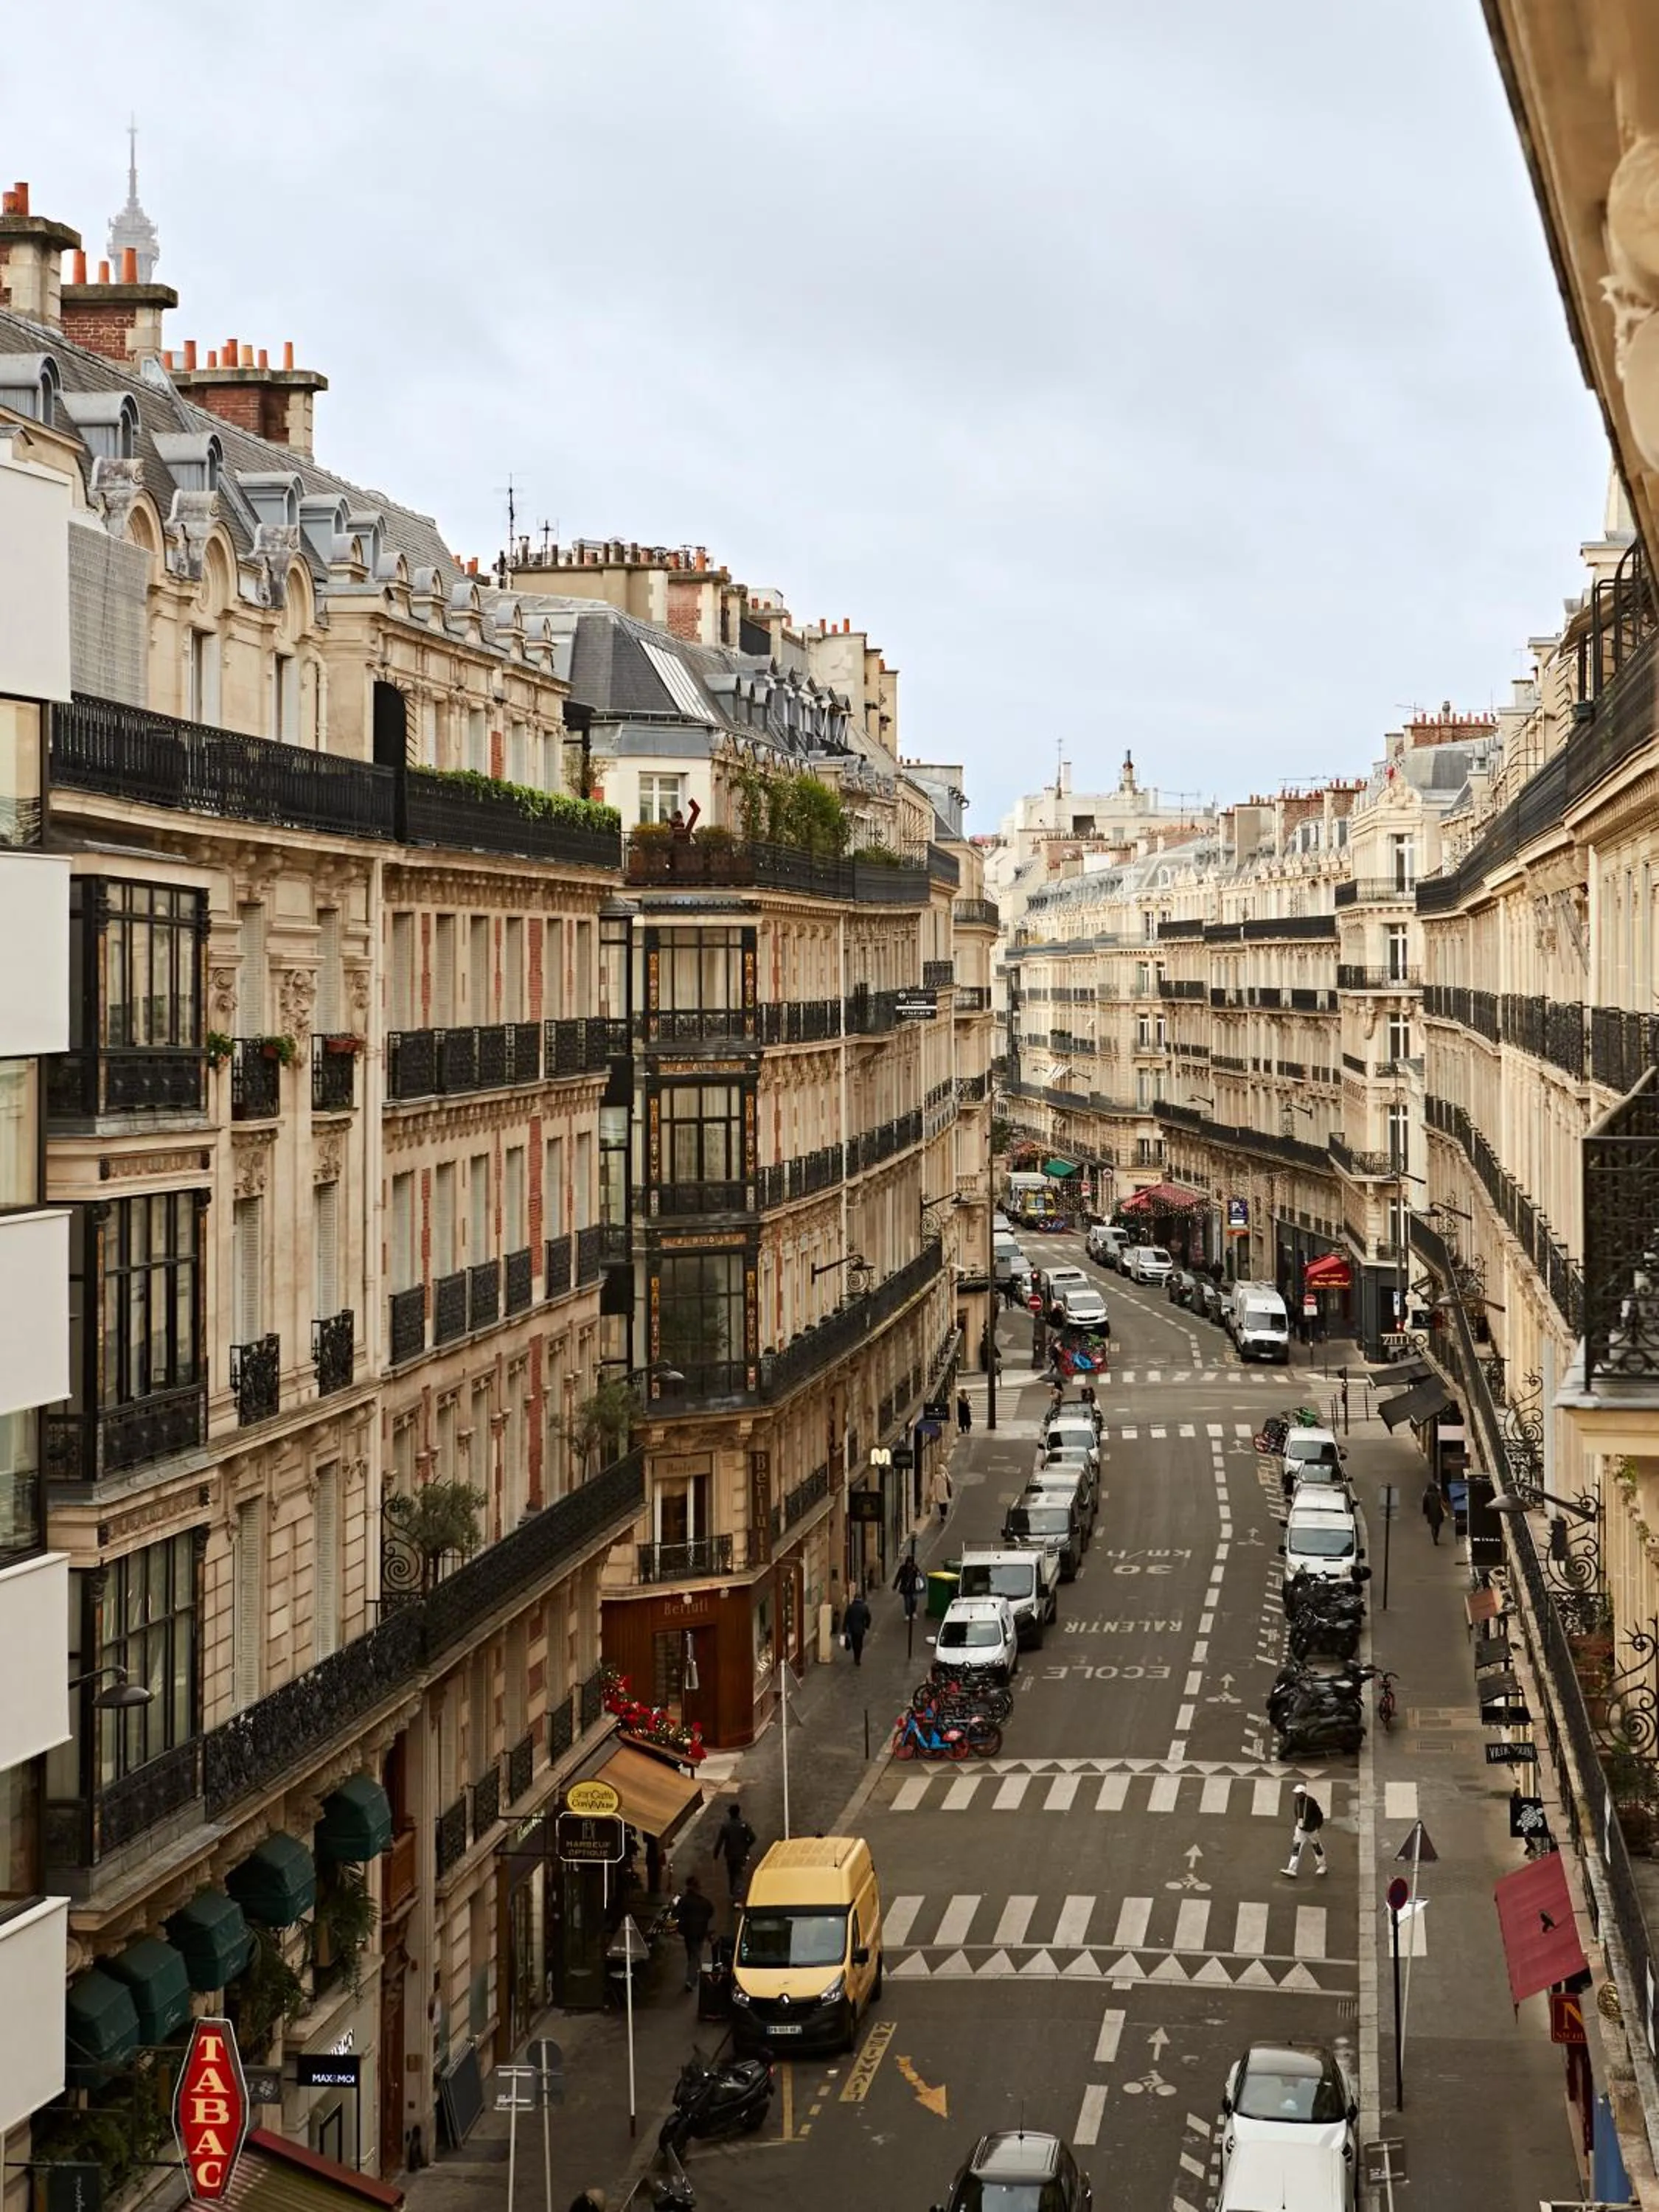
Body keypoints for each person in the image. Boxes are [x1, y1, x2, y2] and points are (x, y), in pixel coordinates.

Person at [677, 1873, 714, 1992]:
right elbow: (711, 1913)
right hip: (700, 1933)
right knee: (695, 1954)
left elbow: (676, 1913)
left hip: (688, 1933)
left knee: (693, 1954)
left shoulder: (684, 1901)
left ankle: (691, 1979)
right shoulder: (705, 1903)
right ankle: (692, 1976)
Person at [712, 1802, 756, 1899]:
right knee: (739, 1874)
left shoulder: (726, 1826)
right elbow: (753, 1837)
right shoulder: (744, 1824)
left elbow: (720, 1841)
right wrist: (746, 1846)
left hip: (730, 1855)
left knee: (731, 1874)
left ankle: (732, 1892)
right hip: (741, 1855)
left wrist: (716, 1854)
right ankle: (737, 1895)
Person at [1283, 1783, 1327, 1877]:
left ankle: (1322, 1866)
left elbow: (1319, 1815)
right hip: (1300, 1829)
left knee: (1317, 1847)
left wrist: (1317, 1826)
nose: (1296, 1795)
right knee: (1296, 1848)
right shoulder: (1297, 1801)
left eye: (1298, 1794)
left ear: (1303, 1794)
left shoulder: (1311, 1802)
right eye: (1296, 1793)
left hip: (1311, 1830)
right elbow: (1297, 1813)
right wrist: (1298, 1824)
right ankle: (1291, 1869)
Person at [843, 1587, 872, 1665]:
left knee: (854, 1642)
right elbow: (868, 1617)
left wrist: (845, 1628)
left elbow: (846, 1618)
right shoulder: (864, 1607)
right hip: (860, 1628)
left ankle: (856, 1656)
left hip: (852, 1629)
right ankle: (858, 1657)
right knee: (860, 1643)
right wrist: (867, 1626)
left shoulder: (850, 1607)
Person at [894, 1552, 925, 1620]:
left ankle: (913, 1612)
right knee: (907, 1602)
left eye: (910, 1563)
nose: (909, 1564)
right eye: (908, 1563)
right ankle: (907, 1614)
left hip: (913, 1588)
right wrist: (895, 1585)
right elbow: (898, 1577)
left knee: (914, 1600)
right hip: (906, 1588)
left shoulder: (915, 1567)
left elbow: (920, 1574)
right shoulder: (902, 1568)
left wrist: (916, 1572)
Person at [1422, 1481, 1447, 1546]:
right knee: (1437, 1526)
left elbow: (1425, 1504)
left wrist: (1425, 1511)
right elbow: (1443, 1502)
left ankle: (1434, 1538)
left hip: (1430, 1512)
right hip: (1438, 1511)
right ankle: (1436, 1536)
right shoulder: (1439, 1494)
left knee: (1432, 1526)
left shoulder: (1426, 1495)